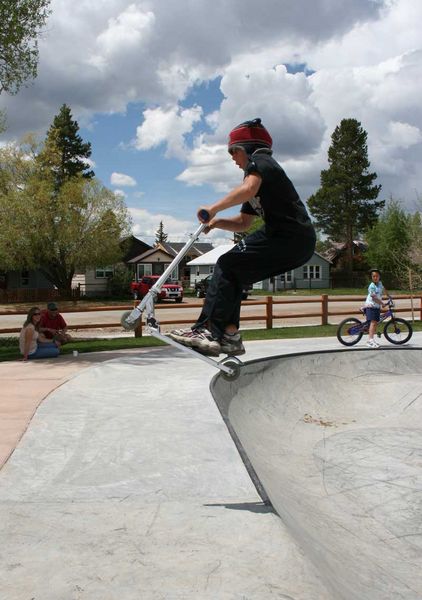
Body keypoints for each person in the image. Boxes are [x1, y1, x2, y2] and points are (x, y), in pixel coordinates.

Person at [170, 118, 316, 356]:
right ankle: (230, 335)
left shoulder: (261, 161)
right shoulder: (256, 178)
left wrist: (213, 208)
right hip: (293, 242)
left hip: (289, 236)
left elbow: (247, 190)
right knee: (234, 271)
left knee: (227, 263)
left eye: (233, 152)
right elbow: (244, 222)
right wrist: (217, 222)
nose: (232, 159)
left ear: (245, 149)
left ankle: (207, 330)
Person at [364, 268, 386, 348]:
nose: (375, 277)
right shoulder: (372, 286)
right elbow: (374, 298)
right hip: (371, 306)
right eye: (373, 276)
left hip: (376, 307)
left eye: (377, 276)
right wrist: (382, 303)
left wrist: (389, 296)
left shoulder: (380, 283)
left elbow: (384, 289)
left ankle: (372, 339)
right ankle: (370, 341)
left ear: (379, 276)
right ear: (372, 277)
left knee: (375, 323)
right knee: (373, 323)